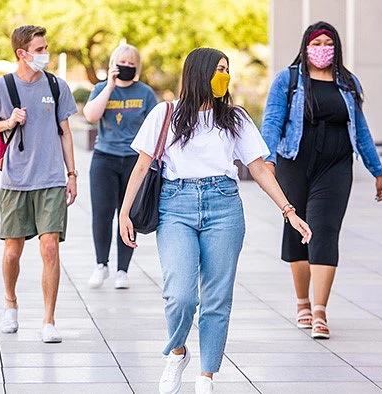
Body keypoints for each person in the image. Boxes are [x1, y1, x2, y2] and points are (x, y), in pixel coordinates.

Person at [119, 47, 312, 394]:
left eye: (227, 69)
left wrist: (289, 210)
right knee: (180, 295)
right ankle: (177, 352)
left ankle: (206, 375)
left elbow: (257, 167)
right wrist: (124, 213)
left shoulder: (235, 119)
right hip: (175, 206)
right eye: (218, 69)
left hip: (224, 206)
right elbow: (141, 165)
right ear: (198, 74)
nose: (224, 75)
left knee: (217, 299)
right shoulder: (166, 114)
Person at [260, 21, 382, 339]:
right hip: (294, 163)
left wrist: (377, 170)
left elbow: (361, 129)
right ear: (304, 47)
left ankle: (319, 310)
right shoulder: (287, 80)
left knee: (325, 230)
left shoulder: (347, 82)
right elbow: (273, 121)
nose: (321, 48)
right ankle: (301, 302)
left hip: (336, 166)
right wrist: (267, 161)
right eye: (315, 43)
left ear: (337, 47)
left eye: (327, 42)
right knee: (297, 232)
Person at [0, 25, 79, 343]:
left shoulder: (57, 86)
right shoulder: (1, 88)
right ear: (22, 53)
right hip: (15, 180)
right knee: (12, 252)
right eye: (40, 49)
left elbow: (66, 132)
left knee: (49, 249)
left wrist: (72, 175)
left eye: (46, 47)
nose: (45, 54)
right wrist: (8, 122)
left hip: (49, 180)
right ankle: (10, 303)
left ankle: (48, 320)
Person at [83, 44, 158, 289]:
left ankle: (122, 270)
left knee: (127, 214)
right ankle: (100, 264)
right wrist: (110, 86)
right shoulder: (100, 88)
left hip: (134, 161)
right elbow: (91, 115)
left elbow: (155, 126)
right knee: (102, 214)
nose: (126, 67)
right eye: (121, 63)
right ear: (113, 64)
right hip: (105, 158)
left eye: (131, 64)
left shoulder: (145, 93)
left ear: (137, 67)